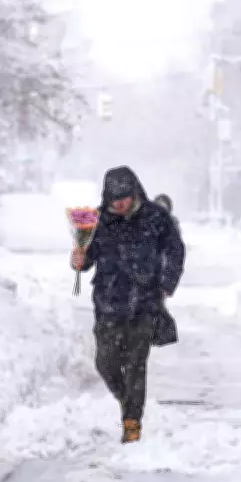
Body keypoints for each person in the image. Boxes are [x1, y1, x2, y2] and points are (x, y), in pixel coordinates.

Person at [70, 166, 185, 444]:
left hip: (144, 303)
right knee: (105, 362)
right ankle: (126, 400)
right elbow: (87, 259)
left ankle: (132, 422)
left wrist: (166, 284)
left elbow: (175, 250)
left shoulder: (157, 218)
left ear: (134, 193)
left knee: (136, 364)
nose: (118, 204)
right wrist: (79, 259)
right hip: (108, 302)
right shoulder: (96, 221)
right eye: (114, 199)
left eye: (123, 198)